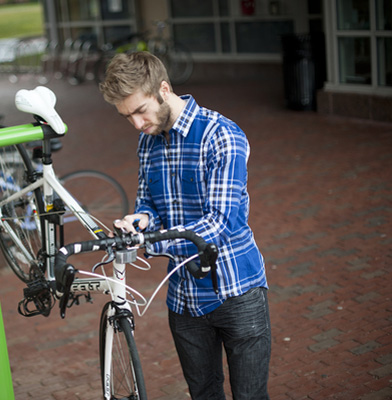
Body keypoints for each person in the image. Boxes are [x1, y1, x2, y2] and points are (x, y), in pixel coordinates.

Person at [99, 51, 271, 400]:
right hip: (184, 300)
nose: (136, 124)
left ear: (163, 89)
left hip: (236, 291)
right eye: (126, 116)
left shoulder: (221, 135)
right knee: (203, 394)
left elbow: (220, 223)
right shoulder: (147, 141)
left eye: (140, 110)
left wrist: (151, 242)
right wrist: (139, 222)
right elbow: (148, 205)